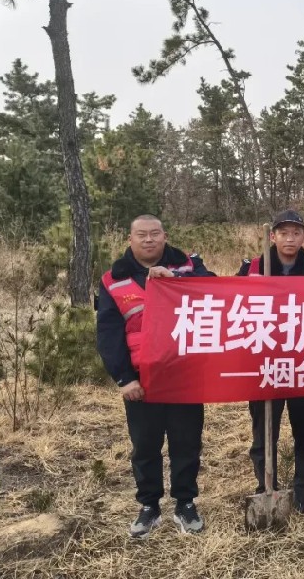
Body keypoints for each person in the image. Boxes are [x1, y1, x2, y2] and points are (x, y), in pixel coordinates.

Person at [96, 214, 213, 538]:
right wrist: (124, 378)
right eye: (142, 235)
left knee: (186, 443)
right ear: (130, 239)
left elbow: (214, 291)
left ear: (165, 236)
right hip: (140, 380)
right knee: (145, 445)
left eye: (155, 234)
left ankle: (185, 503)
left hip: (185, 375)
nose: (149, 240)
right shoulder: (113, 280)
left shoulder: (188, 265)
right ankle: (149, 505)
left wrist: (174, 279)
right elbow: (108, 334)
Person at [237, 209, 304, 517]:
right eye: (284, 233)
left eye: (296, 233)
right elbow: (230, 307)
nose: (290, 238)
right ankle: (267, 489)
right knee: (264, 433)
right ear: (272, 236)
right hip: (264, 365)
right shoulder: (251, 268)